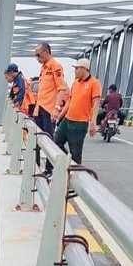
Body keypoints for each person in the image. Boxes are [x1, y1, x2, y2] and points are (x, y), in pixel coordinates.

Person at [55, 58, 100, 165]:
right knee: (56, 142)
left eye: (77, 68)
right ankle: (68, 162)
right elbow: (70, 101)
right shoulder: (75, 83)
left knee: (76, 153)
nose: (75, 71)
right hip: (67, 120)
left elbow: (96, 102)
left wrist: (93, 122)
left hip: (80, 124)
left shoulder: (94, 83)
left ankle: (75, 175)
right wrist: (60, 116)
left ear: (85, 69)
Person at [33, 41, 67, 176]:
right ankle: (35, 165)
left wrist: (56, 108)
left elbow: (61, 88)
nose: (37, 58)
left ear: (46, 52)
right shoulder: (44, 67)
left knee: (48, 139)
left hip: (48, 109)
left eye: (38, 55)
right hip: (39, 108)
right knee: (38, 138)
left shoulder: (55, 67)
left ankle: (49, 169)